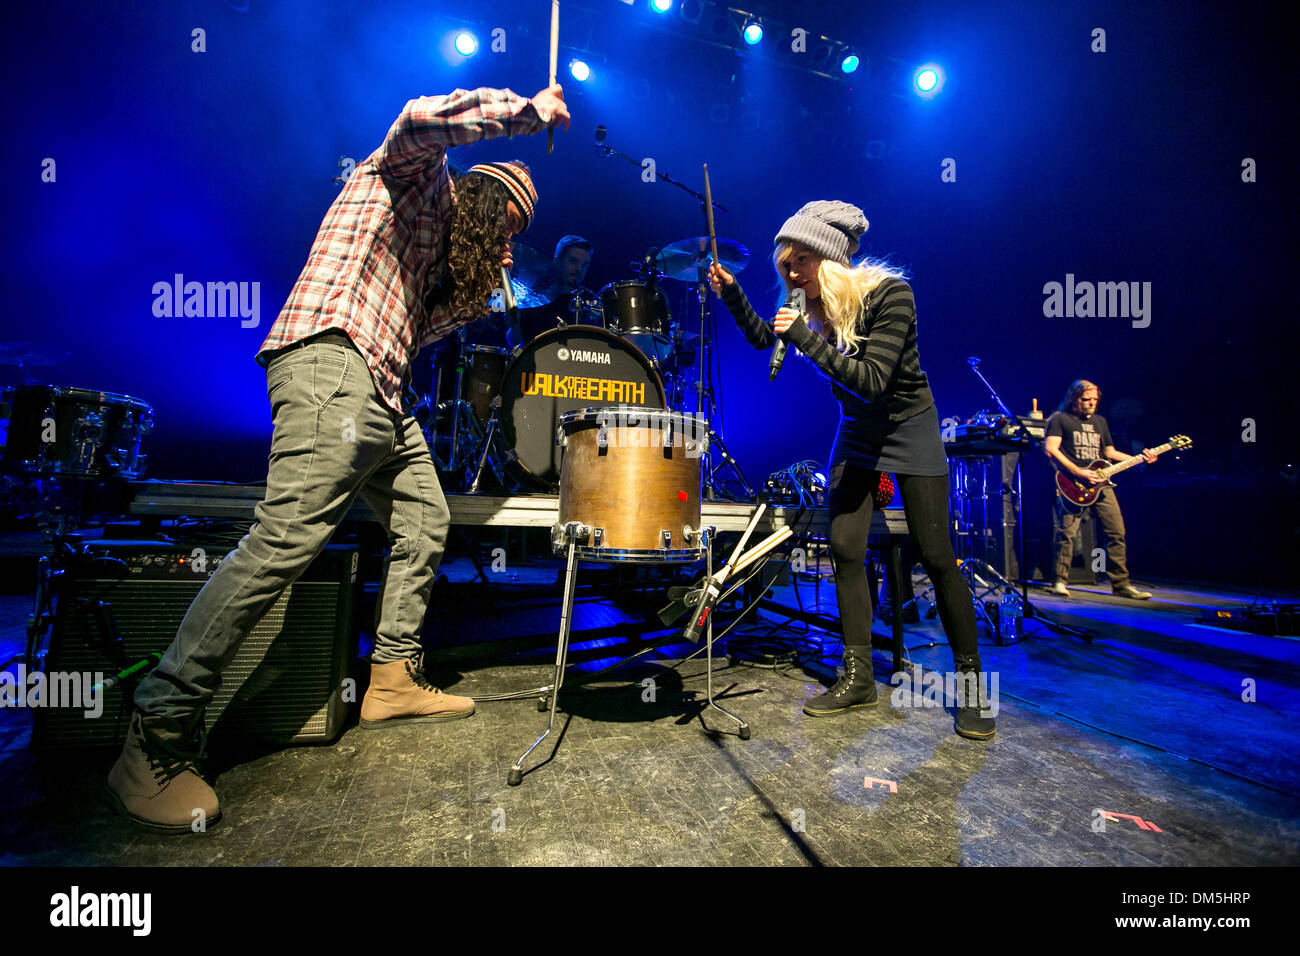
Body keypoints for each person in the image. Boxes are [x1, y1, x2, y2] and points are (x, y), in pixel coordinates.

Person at [106, 84, 570, 833]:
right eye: (506, 225)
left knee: (426, 517)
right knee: (284, 539)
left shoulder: (434, 260)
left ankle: (390, 676)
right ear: (481, 200)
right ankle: (154, 734)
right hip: (333, 360)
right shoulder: (412, 180)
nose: (510, 244)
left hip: (383, 390)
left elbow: (418, 330)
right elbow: (420, 118)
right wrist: (525, 111)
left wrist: (474, 291)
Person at [708, 200, 994, 741]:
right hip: (858, 431)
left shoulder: (892, 296)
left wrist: (806, 339)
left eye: (799, 263)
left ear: (830, 259)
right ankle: (858, 677)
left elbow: (871, 380)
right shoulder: (807, 304)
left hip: (909, 424)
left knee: (935, 556)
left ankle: (975, 689)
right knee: (844, 547)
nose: (790, 275)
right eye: (784, 266)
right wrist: (733, 295)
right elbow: (764, 338)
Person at [1044, 380, 1156, 599]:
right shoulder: (1060, 419)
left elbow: (1110, 452)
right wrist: (1078, 472)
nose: (1091, 404)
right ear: (1074, 399)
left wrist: (1140, 459)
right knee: (1066, 533)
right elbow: (1051, 450)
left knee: (1116, 532)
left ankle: (1121, 584)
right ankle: (1059, 580)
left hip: (1102, 483)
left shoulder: (1100, 421)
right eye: (1086, 400)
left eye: (1095, 400)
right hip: (1073, 483)